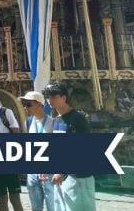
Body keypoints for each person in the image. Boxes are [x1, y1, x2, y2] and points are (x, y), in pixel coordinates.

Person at [43, 81, 96, 211]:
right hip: (62, 178)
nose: (50, 100)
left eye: (54, 96)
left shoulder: (77, 118)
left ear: (64, 97)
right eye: (47, 96)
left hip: (79, 178)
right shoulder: (56, 120)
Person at [19, 91, 53, 211]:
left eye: (28, 104)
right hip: (33, 172)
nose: (25, 107)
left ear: (40, 105)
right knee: (36, 207)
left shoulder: (52, 123)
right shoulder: (28, 122)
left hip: (48, 172)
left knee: (52, 206)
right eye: (25, 104)